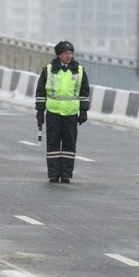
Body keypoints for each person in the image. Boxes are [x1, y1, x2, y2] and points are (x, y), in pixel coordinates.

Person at [36, 40, 90, 184]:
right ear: (59, 55)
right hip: (53, 112)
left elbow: (84, 92)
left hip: (71, 114)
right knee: (53, 144)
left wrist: (83, 111)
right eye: (66, 53)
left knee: (69, 145)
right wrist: (40, 111)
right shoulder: (48, 70)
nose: (69, 56)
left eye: (71, 53)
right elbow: (40, 91)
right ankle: (53, 174)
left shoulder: (79, 70)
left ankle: (66, 175)